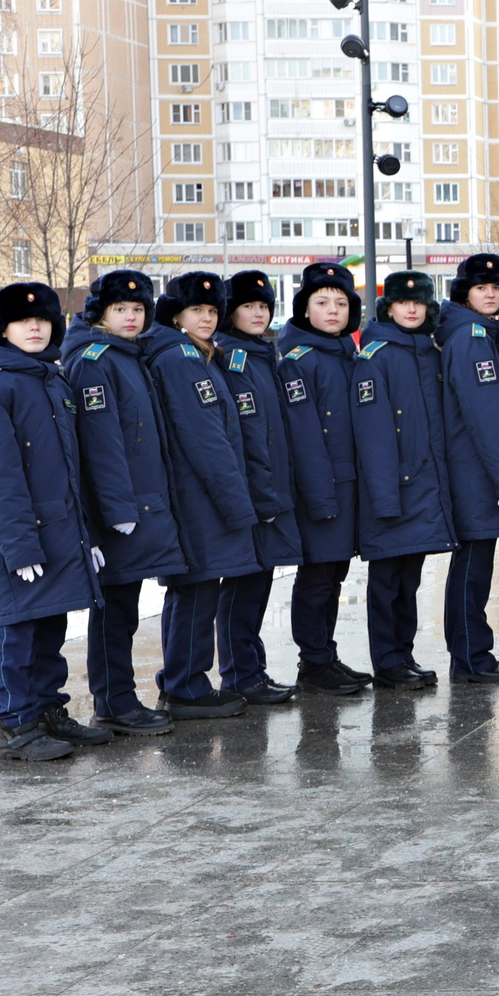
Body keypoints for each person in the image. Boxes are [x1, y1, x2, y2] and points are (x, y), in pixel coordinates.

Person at [0, 282, 108, 760]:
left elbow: (68, 465)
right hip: (17, 536)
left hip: (61, 529)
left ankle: (47, 711)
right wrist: (20, 546)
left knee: (51, 625)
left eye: (43, 321)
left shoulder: (48, 377)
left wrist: (85, 534)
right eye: (24, 321)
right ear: (3, 328)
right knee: (21, 627)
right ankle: (17, 725)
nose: (35, 328)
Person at [60, 271, 179, 735]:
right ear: (101, 314)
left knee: (124, 606)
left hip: (140, 503)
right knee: (114, 609)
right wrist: (118, 512)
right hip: (119, 511)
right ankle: (114, 702)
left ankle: (120, 698)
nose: (131, 317)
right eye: (120, 310)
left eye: (138, 310)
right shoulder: (95, 361)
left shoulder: (128, 356)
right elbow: (101, 443)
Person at [146, 273, 263, 719]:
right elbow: (206, 440)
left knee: (193, 590)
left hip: (200, 495)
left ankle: (184, 682)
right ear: (177, 315)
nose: (208, 318)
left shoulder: (197, 354)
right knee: (196, 590)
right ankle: (185, 687)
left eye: (213, 311)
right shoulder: (181, 359)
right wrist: (236, 503)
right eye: (197, 310)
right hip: (200, 498)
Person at [351, 271, 458, 690]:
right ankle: (388, 661)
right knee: (386, 582)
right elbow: (373, 433)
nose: (410, 309)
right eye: (401, 303)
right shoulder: (374, 357)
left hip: (425, 488)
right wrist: (385, 497)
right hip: (392, 490)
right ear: (388, 308)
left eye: (418, 303)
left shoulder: (430, 354)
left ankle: (404, 654)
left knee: (408, 580)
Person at [212, 270, 310, 707]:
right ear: (232, 311)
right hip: (253, 496)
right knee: (243, 588)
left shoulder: (262, 355)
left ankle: (253, 671)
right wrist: (263, 496)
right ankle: (239, 674)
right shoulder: (234, 360)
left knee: (258, 585)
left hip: (271, 490)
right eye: (249, 305)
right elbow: (249, 437)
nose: (257, 313)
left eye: (264, 306)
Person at [277, 262, 369, 695]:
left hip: (349, 485)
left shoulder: (348, 353)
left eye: (341, 303)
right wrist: (320, 496)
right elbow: (305, 437)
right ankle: (312, 663)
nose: (333, 311)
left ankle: (325, 655)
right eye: (321, 302)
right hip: (322, 487)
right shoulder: (299, 361)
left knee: (333, 576)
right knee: (316, 578)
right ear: (304, 309)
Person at [437, 253, 499, 684]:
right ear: (464, 294)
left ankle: (471, 654)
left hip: (474, 469)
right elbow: (486, 415)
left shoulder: (479, 333)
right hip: (475, 472)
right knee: (473, 567)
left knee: (476, 565)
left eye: (496, 288)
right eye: (480, 288)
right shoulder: (472, 338)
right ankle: (471, 657)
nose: (490, 294)